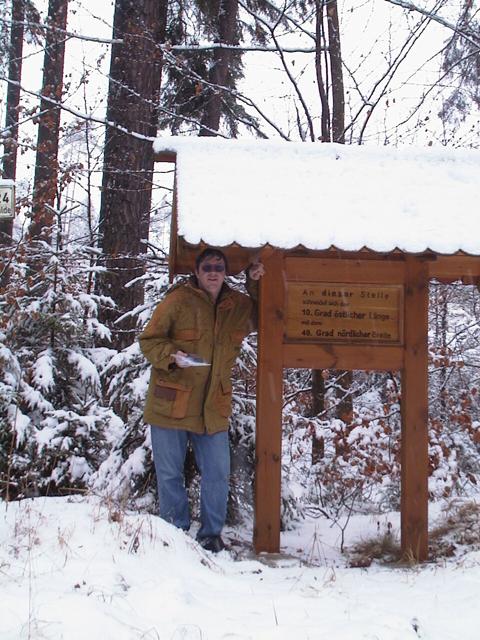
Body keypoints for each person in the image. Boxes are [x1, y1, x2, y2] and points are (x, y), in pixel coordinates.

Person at [139, 248, 265, 553]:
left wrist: (255, 282)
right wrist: (172, 356)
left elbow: (266, 313)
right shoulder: (178, 300)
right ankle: (175, 532)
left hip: (212, 406)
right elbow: (149, 340)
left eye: (218, 267)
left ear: (225, 272)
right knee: (170, 473)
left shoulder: (237, 305)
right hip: (171, 404)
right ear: (196, 271)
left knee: (218, 473)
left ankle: (211, 535)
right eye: (207, 266)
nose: (212, 272)